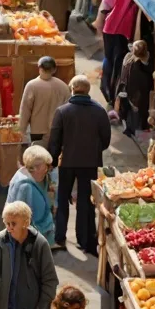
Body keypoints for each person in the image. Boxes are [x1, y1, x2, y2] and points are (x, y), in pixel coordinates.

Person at [48, 75, 110, 255]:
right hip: (90, 163)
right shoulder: (99, 112)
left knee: (62, 199)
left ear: (72, 89)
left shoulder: (62, 111)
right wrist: (94, 150)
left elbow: (55, 141)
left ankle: (60, 237)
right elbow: (105, 140)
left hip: (67, 162)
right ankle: (85, 240)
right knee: (86, 201)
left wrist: (52, 161)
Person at [96, 0, 138, 105]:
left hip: (109, 28)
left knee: (109, 58)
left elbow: (104, 10)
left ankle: (106, 88)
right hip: (124, 31)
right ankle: (112, 92)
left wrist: (99, 30)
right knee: (118, 62)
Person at [7, 145, 57, 246]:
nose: (47, 170)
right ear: (35, 168)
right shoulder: (24, 187)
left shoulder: (42, 179)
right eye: (45, 166)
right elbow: (19, 218)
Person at [18, 56, 70, 143]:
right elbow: (67, 110)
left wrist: (21, 130)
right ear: (54, 69)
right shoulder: (63, 86)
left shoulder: (32, 85)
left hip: (37, 130)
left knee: (38, 154)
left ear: (39, 68)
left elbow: (25, 110)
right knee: (54, 155)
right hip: (56, 129)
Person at [115, 39, 152, 135]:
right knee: (135, 111)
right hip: (136, 93)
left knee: (130, 111)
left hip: (128, 90)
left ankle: (129, 127)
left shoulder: (129, 59)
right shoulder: (139, 65)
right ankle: (133, 127)